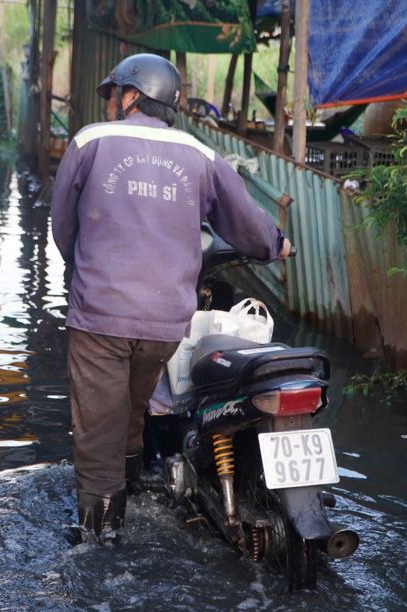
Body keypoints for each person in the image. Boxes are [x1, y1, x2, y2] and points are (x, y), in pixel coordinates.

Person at [50, 53, 291, 542]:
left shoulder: (90, 140)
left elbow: (62, 227)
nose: (113, 103)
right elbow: (245, 222)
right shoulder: (200, 155)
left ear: (133, 95)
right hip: (164, 324)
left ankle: (102, 538)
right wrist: (277, 244)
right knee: (135, 407)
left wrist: (85, 269)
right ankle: (136, 485)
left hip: (100, 315)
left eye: (115, 93)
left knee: (99, 429)